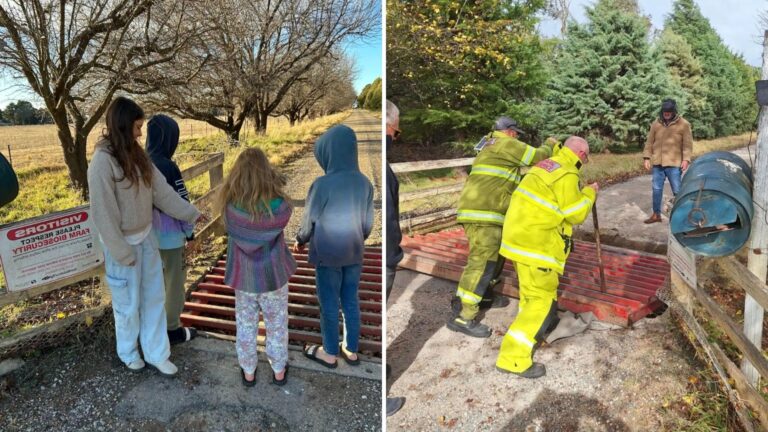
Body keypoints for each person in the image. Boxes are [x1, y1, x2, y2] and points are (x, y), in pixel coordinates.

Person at [87, 97, 203, 377]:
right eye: (137, 126)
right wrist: (121, 252)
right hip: (122, 248)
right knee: (127, 306)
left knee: (153, 298)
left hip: (147, 239)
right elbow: (103, 214)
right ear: (123, 126)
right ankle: (128, 353)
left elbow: (162, 193)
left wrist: (192, 213)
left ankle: (157, 353)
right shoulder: (102, 163)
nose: (141, 133)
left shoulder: (139, 156)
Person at [495, 136, 598, 378]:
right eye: (586, 157)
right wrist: (590, 193)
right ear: (581, 155)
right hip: (537, 245)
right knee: (541, 299)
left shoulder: (545, 165)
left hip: (517, 241)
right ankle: (513, 358)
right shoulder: (567, 174)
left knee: (530, 296)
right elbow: (575, 214)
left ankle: (536, 329)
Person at [448, 117, 560, 338]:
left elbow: (508, 178)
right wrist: (551, 144)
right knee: (482, 263)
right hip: (484, 214)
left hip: (484, 211)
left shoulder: (490, 144)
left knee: (495, 258)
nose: (518, 137)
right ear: (509, 132)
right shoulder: (505, 144)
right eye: (516, 133)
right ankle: (463, 316)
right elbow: (537, 156)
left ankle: (485, 296)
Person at [295, 125, 374, 369]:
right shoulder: (365, 183)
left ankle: (329, 352)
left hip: (328, 256)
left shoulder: (322, 185)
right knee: (350, 300)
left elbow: (309, 221)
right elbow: (367, 225)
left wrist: (300, 239)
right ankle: (351, 350)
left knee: (328, 303)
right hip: (354, 252)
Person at [217, 147, 295, 387]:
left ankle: (249, 372)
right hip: (274, 278)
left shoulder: (229, 208)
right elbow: (287, 207)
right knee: (277, 324)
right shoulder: (279, 206)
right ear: (266, 172)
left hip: (245, 279)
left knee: (246, 324)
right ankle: (279, 371)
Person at [145, 114, 198, 345]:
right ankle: (172, 329)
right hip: (170, 238)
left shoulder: (139, 163)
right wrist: (190, 234)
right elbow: (181, 204)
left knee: (152, 284)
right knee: (174, 284)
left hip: (145, 237)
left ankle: (152, 327)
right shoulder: (168, 166)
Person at [385, 99, 405, 417]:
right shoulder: (385, 165)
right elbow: (387, 217)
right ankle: (383, 401)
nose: (395, 138)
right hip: (386, 255)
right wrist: (392, 253)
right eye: (396, 131)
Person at [642, 98, 692, 224]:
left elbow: (687, 144)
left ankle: (684, 217)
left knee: (677, 190)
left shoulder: (683, 124)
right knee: (656, 189)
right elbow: (649, 142)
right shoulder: (656, 124)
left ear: (674, 111)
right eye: (665, 111)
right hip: (658, 163)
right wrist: (647, 157)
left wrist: (686, 159)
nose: (667, 113)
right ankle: (656, 215)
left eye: (669, 111)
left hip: (674, 164)